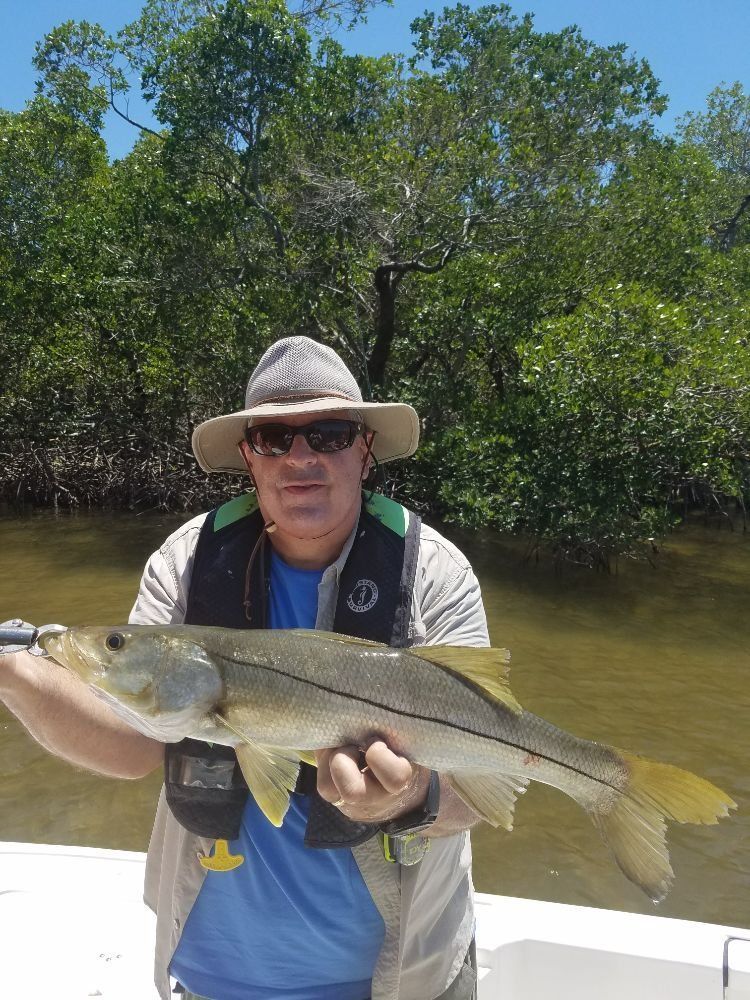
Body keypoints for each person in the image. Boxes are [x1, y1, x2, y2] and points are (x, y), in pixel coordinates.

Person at [0, 336, 490, 1000]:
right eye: (272, 439)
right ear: (247, 458)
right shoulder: (185, 561)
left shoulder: (434, 573)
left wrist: (408, 799)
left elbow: (485, 787)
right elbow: (132, 741)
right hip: (212, 974)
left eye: (329, 433)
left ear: (365, 449)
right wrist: (9, 672)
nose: (301, 459)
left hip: (400, 978)